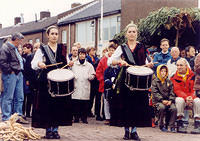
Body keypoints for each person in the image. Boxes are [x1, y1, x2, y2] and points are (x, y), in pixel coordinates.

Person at [107, 22, 153, 140]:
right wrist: (119, 62)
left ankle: (134, 131)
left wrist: (149, 64)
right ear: (126, 34)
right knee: (126, 105)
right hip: (125, 80)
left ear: (137, 34)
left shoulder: (142, 47)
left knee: (137, 106)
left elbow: (147, 61)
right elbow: (109, 61)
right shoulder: (121, 48)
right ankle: (126, 131)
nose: (132, 34)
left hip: (140, 80)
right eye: (129, 32)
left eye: (134, 32)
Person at [31, 26, 72, 139]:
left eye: (56, 34)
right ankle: (48, 130)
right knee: (47, 106)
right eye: (52, 34)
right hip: (47, 82)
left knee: (59, 106)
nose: (54, 36)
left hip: (60, 82)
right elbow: (33, 64)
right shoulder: (42, 49)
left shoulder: (62, 48)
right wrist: (40, 64)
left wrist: (70, 64)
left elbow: (67, 63)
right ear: (48, 35)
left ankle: (56, 130)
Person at [0, 32, 27, 122]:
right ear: (16, 40)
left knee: (19, 97)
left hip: (18, 73)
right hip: (11, 74)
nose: (21, 43)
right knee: (8, 96)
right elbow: (2, 62)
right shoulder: (6, 48)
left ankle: (17, 116)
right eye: (20, 41)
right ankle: (6, 118)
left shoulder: (14, 48)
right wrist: (10, 71)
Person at [171, 58, 200, 134]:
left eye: (181, 65)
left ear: (186, 66)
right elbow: (177, 90)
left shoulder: (193, 75)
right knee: (179, 100)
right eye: (177, 65)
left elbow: (194, 89)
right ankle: (180, 123)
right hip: (182, 97)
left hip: (191, 97)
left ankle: (197, 123)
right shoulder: (174, 77)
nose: (179, 67)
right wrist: (186, 98)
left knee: (198, 101)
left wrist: (190, 97)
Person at [71, 48, 95, 124]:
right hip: (76, 85)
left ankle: (84, 118)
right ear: (78, 55)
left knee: (84, 103)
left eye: (83, 54)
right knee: (76, 103)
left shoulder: (89, 65)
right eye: (80, 54)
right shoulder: (74, 64)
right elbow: (70, 73)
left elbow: (93, 74)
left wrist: (90, 77)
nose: (82, 56)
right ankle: (76, 118)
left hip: (85, 85)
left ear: (85, 55)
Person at [151, 65, 177, 132]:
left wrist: (171, 100)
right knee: (162, 107)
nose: (163, 73)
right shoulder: (154, 81)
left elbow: (172, 92)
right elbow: (155, 93)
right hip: (158, 101)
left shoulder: (169, 81)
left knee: (173, 108)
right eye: (162, 71)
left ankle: (171, 126)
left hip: (168, 100)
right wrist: (162, 100)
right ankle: (161, 125)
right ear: (158, 72)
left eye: (165, 71)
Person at [96, 44, 116, 124]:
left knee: (115, 101)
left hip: (116, 85)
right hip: (106, 84)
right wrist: (103, 80)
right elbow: (98, 71)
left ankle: (114, 117)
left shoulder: (118, 59)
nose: (112, 51)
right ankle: (107, 117)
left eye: (113, 50)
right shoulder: (103, 60)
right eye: (110, 50)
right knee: (106, 101)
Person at [22, 43, 34, 118]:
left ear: (29, 48)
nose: (24, 50)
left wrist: (27, 79)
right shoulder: (24, 56)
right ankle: (25, 112)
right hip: (26, 79)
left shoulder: (30, 56)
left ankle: (27, 113)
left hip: (28, 79)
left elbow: (28, 69)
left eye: (25, 48)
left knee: (28, 96)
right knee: (25, 96)